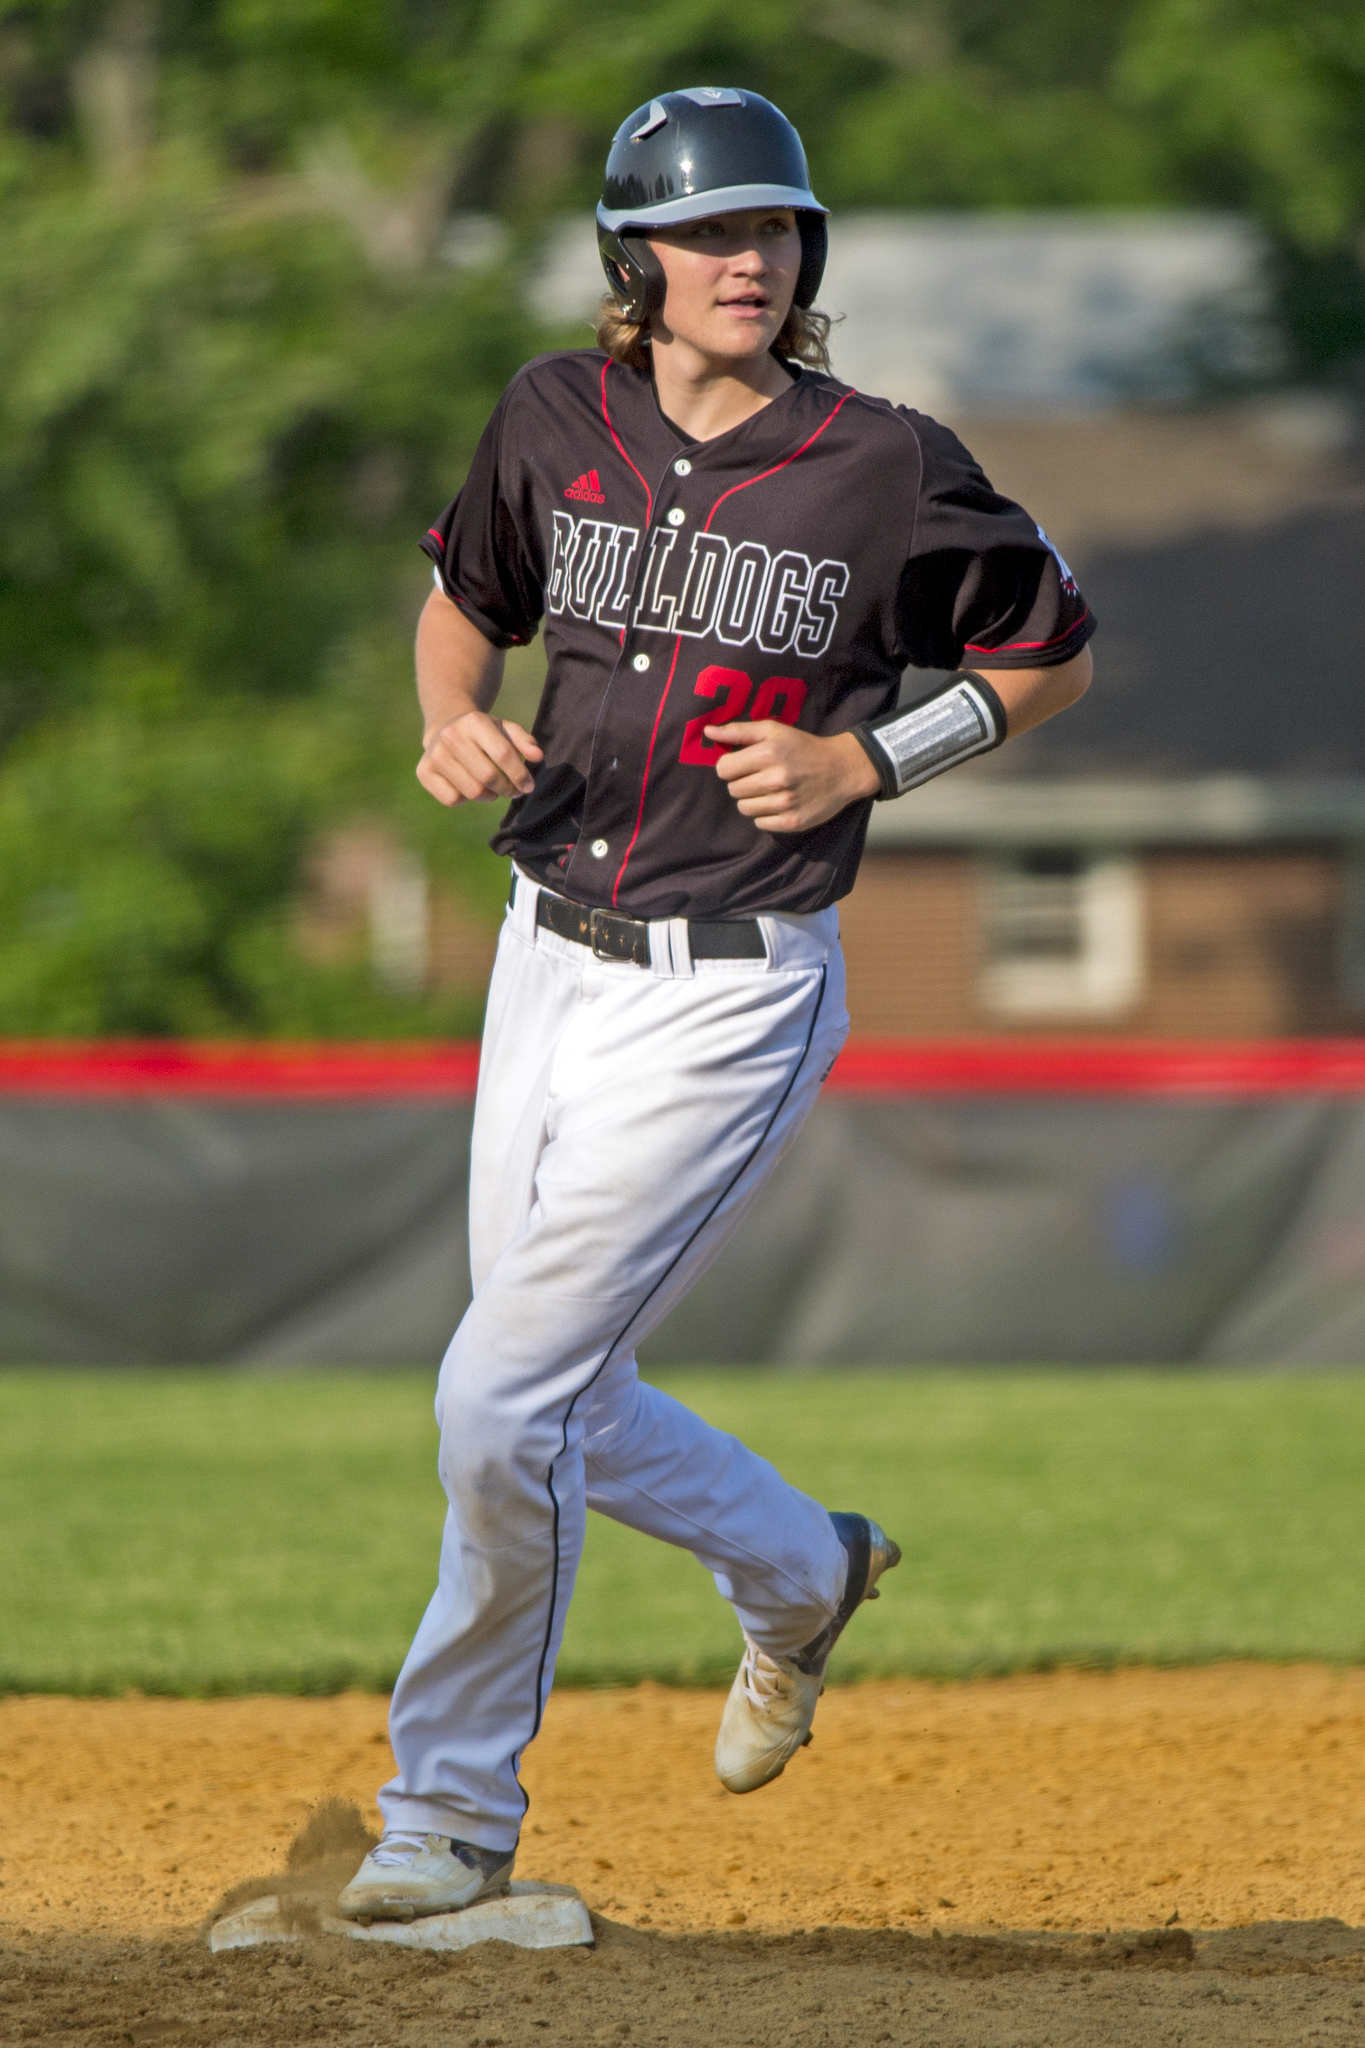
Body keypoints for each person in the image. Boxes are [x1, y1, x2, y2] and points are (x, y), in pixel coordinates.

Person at [338, 85, 1094, 1922]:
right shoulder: (552, 413)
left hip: (726, 989)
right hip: (543, 950)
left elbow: (1048, 651)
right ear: (634, 260)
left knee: (502, 1395)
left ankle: (445, 1821)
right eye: (704, 232)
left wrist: (870, 765)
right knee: (540, 1392)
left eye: (771, 229)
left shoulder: (879, 462)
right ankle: (798, 1571)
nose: (744, 258)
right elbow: (465, 599)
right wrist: (450, 712)